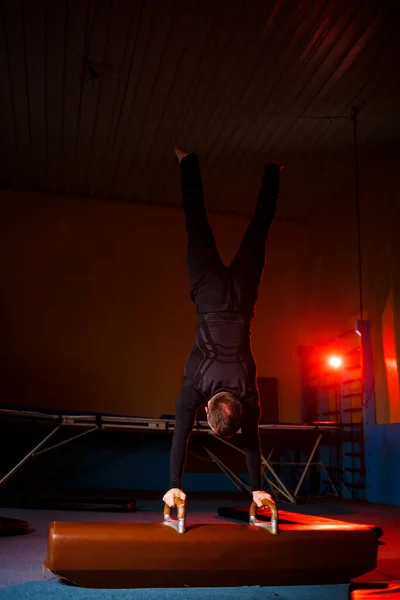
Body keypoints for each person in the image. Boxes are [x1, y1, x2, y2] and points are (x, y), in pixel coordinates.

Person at [163, 148, 282, 509]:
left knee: (259, 232)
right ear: (209, 419)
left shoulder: (248, 395)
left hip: (243, 299)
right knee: (195, 223)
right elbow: (180, 436)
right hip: (210, 294)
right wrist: (173, 485)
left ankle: (273, 171)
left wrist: (256, 488)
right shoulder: (195, 386)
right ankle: (187, 162)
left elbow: (252, 441)